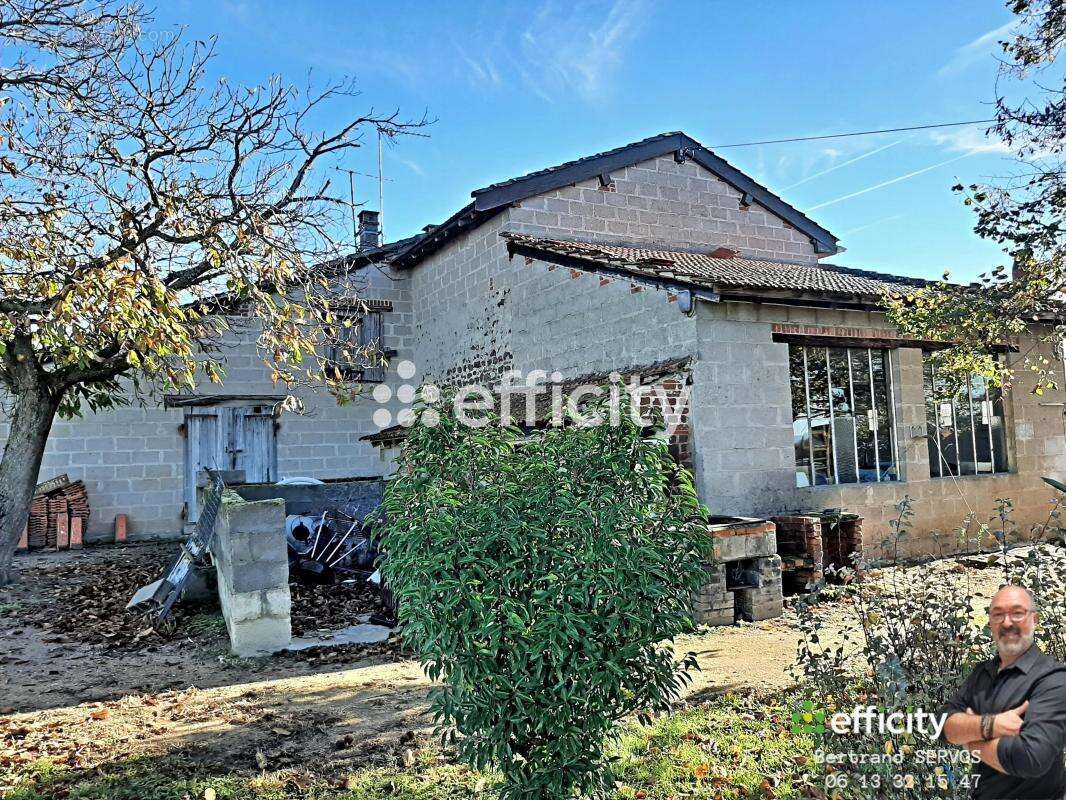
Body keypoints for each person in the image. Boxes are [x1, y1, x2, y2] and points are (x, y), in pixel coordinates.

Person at [941, 585, 1066, 799]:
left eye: (1017, 613)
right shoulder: (982, 674)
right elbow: (943, 725)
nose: (1007, 623)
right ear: (990, 623)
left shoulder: (1054, 679)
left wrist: (971, 740)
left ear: (1034, 620)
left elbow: (1030, 759)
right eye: (998, 615)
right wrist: (991, 725)